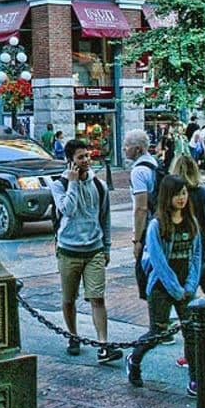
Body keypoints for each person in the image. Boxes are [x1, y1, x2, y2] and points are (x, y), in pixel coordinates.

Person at [126, 174, 201, 395]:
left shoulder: (191, 222)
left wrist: (190, 286)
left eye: (185, 193)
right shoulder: (156, 226)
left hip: (185, 284)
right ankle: (135, 359)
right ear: (167, 196)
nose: (182, 198)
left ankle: (195, 378)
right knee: (157, 332)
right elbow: (158, 262)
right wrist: (175, 289)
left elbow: (196, 256)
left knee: (192, 332)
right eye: (177, 194)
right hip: (161, 286)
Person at [51, 139, 121, 363]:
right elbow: (68, 210)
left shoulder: (98, 185)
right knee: (69, 298)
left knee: (97, 298)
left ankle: (103, 345)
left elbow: (105, 219)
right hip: (68, 250)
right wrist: (72, 183)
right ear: (70, 160)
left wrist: (107, 247)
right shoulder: (59, 185)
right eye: (81, 157)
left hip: (94, 250)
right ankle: (73, 336)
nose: (86, 161)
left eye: (88, 156)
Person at [170, 153, 205, 361]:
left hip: (186, 251)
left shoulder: (178, 195)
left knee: (185, 301)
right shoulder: (202, 193)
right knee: (192, 296)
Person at [124, 129, 159, 293]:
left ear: (137, 148)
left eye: (127, 145)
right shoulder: (154, 163)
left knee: (147, 273)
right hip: (159, 223)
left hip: (148, 229)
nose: (124, 148)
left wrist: (137, 239)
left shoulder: (138, 171)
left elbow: (141, 208)